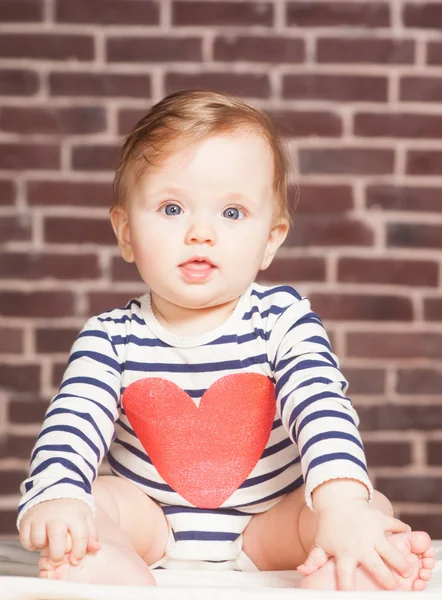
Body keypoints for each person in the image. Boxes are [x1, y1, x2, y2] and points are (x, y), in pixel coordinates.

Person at [17, 90, 434, 591]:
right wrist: (58, 494)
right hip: (155, 525)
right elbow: (73, 421)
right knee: (97, 498)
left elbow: (319, 403)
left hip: (268, 529)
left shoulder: (283, 319)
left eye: (231, 213)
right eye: (172, 208)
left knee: (361, 503)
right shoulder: (110, 337)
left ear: (271, 239)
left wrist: (342, 505)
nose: (200, 233)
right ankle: (100, 565)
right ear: (126, 232)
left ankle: (349, 565)